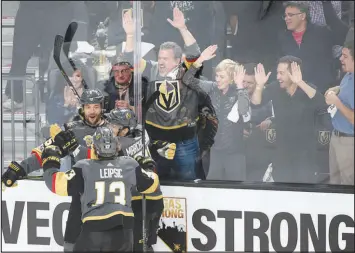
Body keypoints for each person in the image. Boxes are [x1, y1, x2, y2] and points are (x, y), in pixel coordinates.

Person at [2, 88, 110, 252]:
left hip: (108, 197)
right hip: (80, 195)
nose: (92, 111)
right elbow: (46, 151)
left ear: (102, 107)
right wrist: (20, 168)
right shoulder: (72, 129)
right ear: (83, 108)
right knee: (70, 245)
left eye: (96, 107)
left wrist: (75, 148)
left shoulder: (113, 128)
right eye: (89, 107)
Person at [21, 127, 158, 251]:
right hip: (124, 233)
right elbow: (151, 184)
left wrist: (50, 161)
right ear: (117, 146)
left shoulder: (84, 167)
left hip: (94, 231)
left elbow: (55, 184)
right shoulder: (129, 164)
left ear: (94, 147)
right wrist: (147, 167)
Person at [251, 56, 326, 183]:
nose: (278, 77)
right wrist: (259, 85)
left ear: (293, 74)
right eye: (277, 73)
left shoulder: (307, 89)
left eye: (281, 73)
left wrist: (300, 83)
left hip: (305, 155)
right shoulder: (275, 88)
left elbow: (322, 104)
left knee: (304, 193)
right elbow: (255, 103)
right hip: (282, 153)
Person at [182, 45, 251, 181]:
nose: (218, 79)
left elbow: (243, 111)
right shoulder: (212, 87)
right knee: (212, 186)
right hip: (214, 152)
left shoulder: (240, 92)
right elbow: (186, 80)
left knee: (236, 190)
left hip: (235, 153)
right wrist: (200, 60)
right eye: (217, 75)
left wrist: (240, 87)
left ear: (231, 78)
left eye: (222, 76)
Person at [325, 40, 354, 185]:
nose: (340, 59)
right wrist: (337, 89)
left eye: (345, 56)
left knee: (348, 186)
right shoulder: (348, 75)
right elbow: (346, 91)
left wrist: (337, 101)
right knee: (334, 184)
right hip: (336, 137)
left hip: (349, 142)